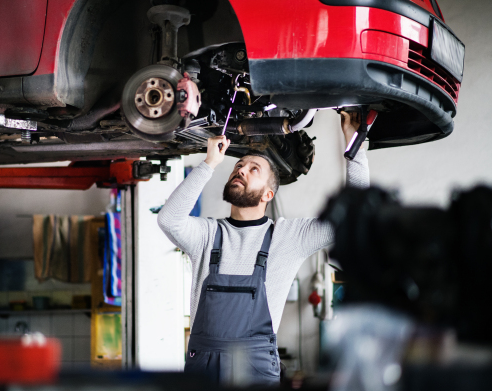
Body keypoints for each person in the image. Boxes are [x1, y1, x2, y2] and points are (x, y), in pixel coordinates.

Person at [157, 112, 369, 386]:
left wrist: (355, 148)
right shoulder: (207, 235)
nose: (240, 170)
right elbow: (168, 219)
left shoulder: (289, 237)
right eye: (238, 166)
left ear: (268, 194)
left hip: (256, 370)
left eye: (253, 169)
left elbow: (353, 217)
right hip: (203, 369)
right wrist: (209, 164)